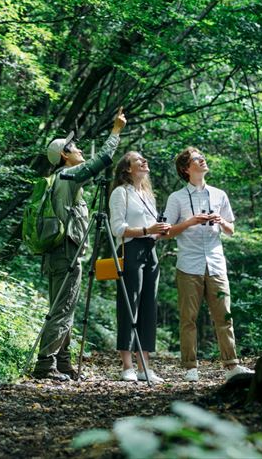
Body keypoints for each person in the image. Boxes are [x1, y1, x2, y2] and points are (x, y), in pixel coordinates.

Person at [32, 108, 126, 381]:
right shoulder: (68, 176)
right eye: (75, 148)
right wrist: (116, 131)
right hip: (66, 253)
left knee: (64, 306)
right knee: (62, 308)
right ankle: (44, 364)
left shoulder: (58, 180)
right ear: (64, 155)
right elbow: (103, 160)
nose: (81, 150)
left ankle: (61, 362)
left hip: (57, 253)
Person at [164, 147, 253, 382]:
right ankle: (190, 367)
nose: (202, 160)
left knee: (224, 316)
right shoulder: (177, 198)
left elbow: (231, 230)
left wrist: (220, 221)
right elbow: (166, 233)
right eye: (196, 158)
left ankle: (232, 365)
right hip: (188, 264)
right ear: (186, 168)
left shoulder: (219, 194)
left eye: (202, 157)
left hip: (215, 262)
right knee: (188, 318)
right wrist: (191, 221)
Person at [109, 151, 170, 384]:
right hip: (130, 249)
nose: (144, 161)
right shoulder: (120, 193)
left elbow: (151, 227)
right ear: (127, 169)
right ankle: (127, 365)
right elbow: (118, 228)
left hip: (150, 250)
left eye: (144, 159)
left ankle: (145, 366)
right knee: (129, 304)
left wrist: (158, 232)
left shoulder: (147, 194)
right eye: (138, 160)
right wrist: (147, 230)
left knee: (148, 307)